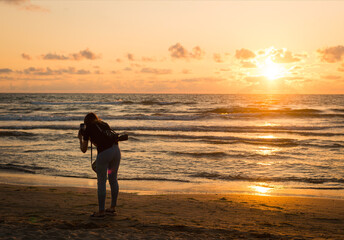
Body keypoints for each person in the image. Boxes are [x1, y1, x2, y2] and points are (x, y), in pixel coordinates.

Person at [78, 112, 121, 219]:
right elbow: (101, 141)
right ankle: (112, 208)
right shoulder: (104, 124)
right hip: (116, 151)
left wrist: (80, 138)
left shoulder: (88, 128)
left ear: (86, 122)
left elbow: (84, 150)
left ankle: (101, 211)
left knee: (101, 182)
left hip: (105, 153)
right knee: (113, 179)